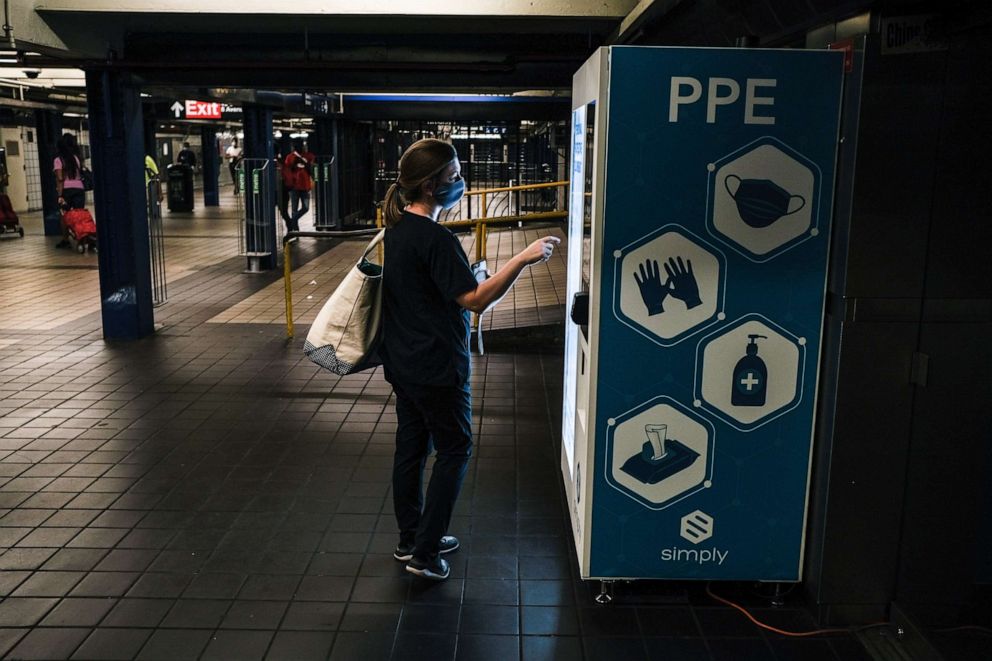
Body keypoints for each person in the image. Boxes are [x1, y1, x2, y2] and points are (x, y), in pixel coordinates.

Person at [381, 138, 559, 581]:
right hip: (438, 365)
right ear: (429, 185)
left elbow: (430, 292)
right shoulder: (437, 238)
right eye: (454, 176)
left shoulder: (397, 229)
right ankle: (425, 554)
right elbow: (474, 301)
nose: (461, 182)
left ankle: (412, 538)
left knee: (411, 447)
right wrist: (523, 257)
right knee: (455, 450)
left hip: (404, 360)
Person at [53, 133, 87, 249]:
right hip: (79, 189)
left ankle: (65, 239)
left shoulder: (58, 160)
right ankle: (82, 237)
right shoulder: (77, 158)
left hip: (67, 190)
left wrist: (60, 195)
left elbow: (60, 178)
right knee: (79, 214)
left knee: (64, 214)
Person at [284, 140, 313, 232]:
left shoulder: (308, 156)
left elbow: (312, 164)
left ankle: (293, 221)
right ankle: (295, 229)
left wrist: (306, 163)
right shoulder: (290, 157)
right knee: (294, 208)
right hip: (294, 186)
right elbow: (287, 169)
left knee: (306, 207)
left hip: (305, 186)